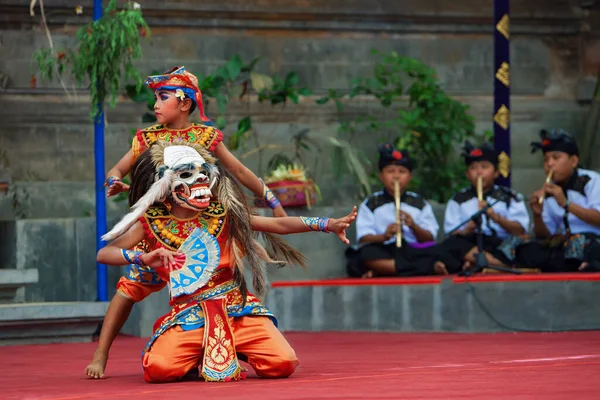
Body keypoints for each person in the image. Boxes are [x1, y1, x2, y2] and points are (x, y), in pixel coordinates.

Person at [94, 140, 357, 382]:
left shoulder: (223, 213)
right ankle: (195, 354)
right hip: (190, 314)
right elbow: (104, 254)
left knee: (283, 363)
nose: (198, 180)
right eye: (186, 174)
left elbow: (277, 224)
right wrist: (142, 257)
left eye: (202, 173)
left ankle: (236, 348)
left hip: (236, 308)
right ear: (164, 185)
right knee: (159, 370)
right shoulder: (150, 224)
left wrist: (327, 224)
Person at [86, 66, 287, 379]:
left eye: (162, 97)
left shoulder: (205, 136)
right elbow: (117, 169)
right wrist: (113, 180)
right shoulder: (147, 137)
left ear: (184, 103)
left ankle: (223, 344)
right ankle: (100, 355)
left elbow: (242, 172)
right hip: (161, 228)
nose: (155, 104)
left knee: (220, 283)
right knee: (127, 289)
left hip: (204, 223)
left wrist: (274, 202)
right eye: (155, 97)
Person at [496, 129, 600, 272]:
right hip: (565, 245)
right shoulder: (550, 191)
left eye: (556, 158)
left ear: (574, 161)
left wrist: (566, 204)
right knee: (518, 242)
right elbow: (544, 236)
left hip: (592, 242)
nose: (549, 164)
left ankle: (581, 265)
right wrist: (537, 215)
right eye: (546, 159)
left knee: (578, 241)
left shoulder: (591, 181)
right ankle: (569, 265)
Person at [435, 141, 529, 274]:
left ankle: (477, 263)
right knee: (449, 245)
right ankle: (495, 265)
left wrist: (495, 217)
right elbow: (451, 233)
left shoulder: (509, 196)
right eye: (473, 168)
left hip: (501, 243)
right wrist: (466, 230)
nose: (479, 172)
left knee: (528, 248)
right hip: (470, 243)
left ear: (496, 173)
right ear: (467, 174)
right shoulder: (459, 199)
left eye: (484, 167)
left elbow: (520, 229)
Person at [354, 143, 442, 277]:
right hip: (385, 249)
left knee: (440, 251)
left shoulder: (419, 203)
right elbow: (363, 238)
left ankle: (384, 271)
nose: (396, 177)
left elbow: (429, 238)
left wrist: (413, 226)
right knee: (364, 254)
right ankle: (422, 268)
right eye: (390, 171)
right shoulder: (371, 203)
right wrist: (384, 236)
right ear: (381, 176)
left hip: (412, 249)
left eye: (402, 172)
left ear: (410, 177)